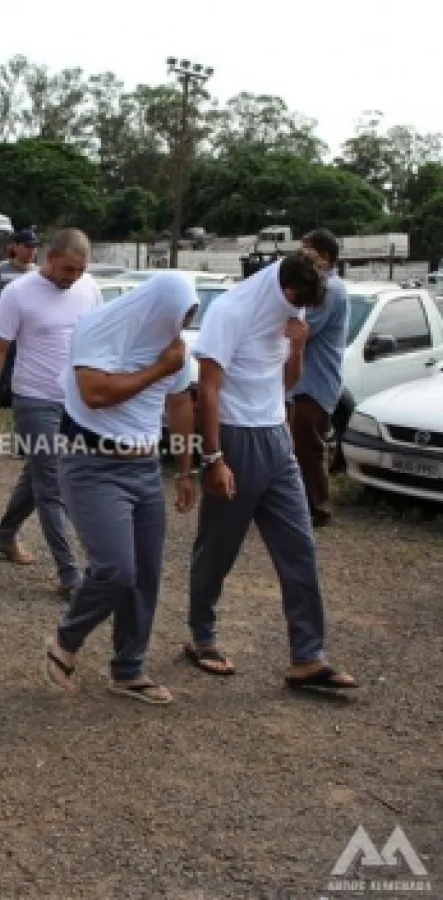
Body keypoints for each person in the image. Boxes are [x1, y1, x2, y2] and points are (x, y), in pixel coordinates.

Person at [186, 250, 358, 693]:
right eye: (297, 303)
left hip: (276, 438)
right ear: (285, 289)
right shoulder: (232, 310)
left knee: (300, 547)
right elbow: (208, 388)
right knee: (217, 550)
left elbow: (286, 381)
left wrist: (298, 344)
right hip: (235, 437)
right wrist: (213, 458)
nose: (300, 312)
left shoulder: (295, 304)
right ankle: (201, 637)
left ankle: (307, 657)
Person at [43, 273, 200, 703]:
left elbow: (181, 401)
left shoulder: (172, 345)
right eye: (181, 314)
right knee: (115, 568)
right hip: (91, 463)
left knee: (145, 574)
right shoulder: (100, 328)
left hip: (145, 466)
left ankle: (129, 670)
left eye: (190, 317)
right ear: (159, 304)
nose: (182, 325)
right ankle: (65, 640)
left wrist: (187, 469)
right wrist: (160, 369)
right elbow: (94, 392)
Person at [0, 228, 102, 600]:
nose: (73, 278)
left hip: (74, 400)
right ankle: (69, 574)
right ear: (50, 259)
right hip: (34, 399)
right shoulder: (18, 293)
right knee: (53, 483)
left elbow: (96, 338)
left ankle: (4, 536)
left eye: (79, 271)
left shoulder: (88, 288)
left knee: (38, 472)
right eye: (67, 270)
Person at [288, 229, 349, 527]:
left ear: (325, 258)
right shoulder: (322, 286)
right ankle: (302, 505)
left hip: (315, 383)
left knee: (308, 447)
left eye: (308, 253)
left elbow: (303, 329)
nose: (303, 258)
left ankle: (318, 508)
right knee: (299, 446)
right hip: (304, 382)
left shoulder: (330, 290)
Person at [0, 230, 39, 402]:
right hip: (4, 331)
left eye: (34, 247)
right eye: (27, 247)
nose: (31, 251)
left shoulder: (37, 273)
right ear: (15, 247)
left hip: (28, 335)